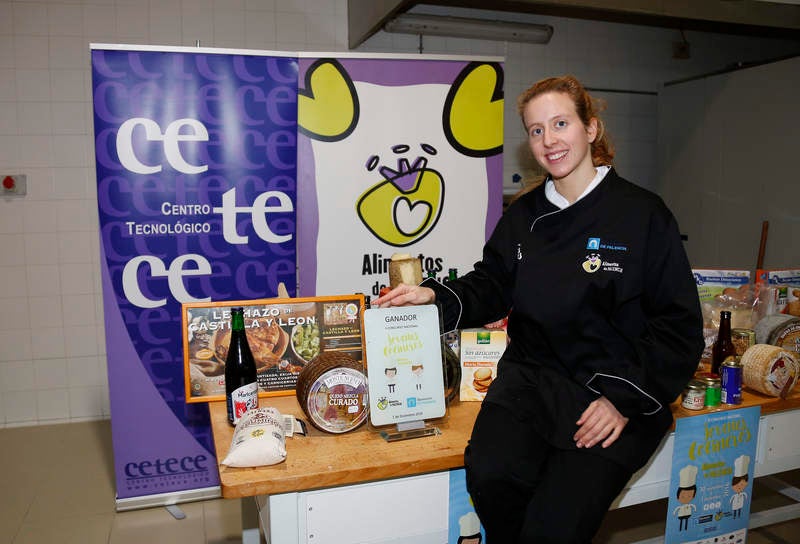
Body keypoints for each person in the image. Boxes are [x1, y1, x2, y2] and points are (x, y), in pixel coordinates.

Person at [374, 75, 704, 543]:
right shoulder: (524, 215)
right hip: (531, 382)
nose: (549, 140)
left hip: (607, 390)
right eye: (535, 130)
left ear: (591, 129)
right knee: (489, 477)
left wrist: (622, 399)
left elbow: (679, 327)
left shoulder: (642, 214)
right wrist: (433, 296)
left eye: (560, 123)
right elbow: (492, 282)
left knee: (558, 523)